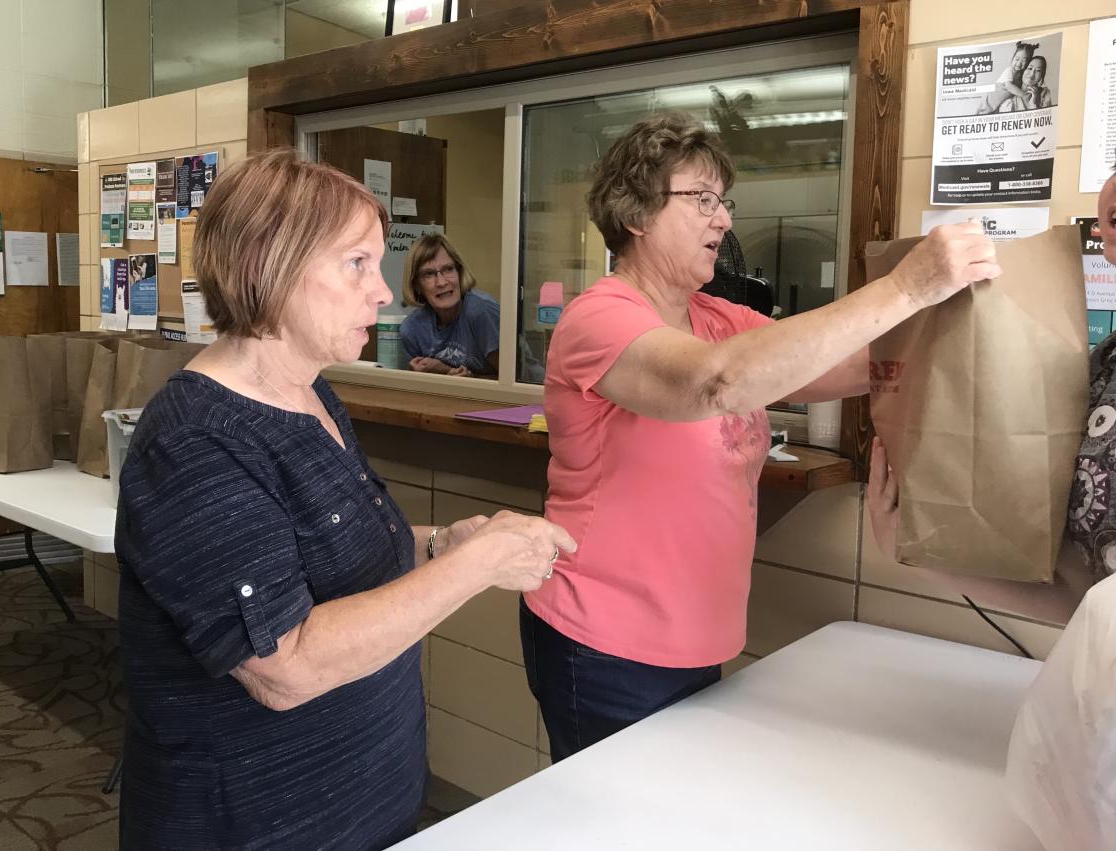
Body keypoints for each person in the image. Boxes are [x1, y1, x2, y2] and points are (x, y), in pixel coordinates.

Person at [115, 149, 575, 850]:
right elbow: (285, 666)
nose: (384, 293)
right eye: (356, 263)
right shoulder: (195, 439)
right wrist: (476, 565)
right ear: (270, 265)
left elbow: (334, 548)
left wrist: (437, 543)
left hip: (365, 799)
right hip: (256, 824)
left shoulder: (311, 392)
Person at [519, 111, 1000, 763]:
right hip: (604, 641)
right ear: (636, 212)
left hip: (695, 635)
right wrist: (906, 286)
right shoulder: (598, 318)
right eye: (703, 200)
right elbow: (715, 382)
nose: (724, 220)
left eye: (725, 203)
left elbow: (846, 365)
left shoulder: (719, 318)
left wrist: (965, 321)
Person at [869, 164, 1116, 851]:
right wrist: (917, 554)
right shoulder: (1100, 373)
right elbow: (1085, 601)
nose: (1109, 237)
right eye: (1110, 223)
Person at [400, 234, 501, 377]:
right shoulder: (412, 329)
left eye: (448, 269)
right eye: (429, 274)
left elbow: (511, 380)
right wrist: (445, 371)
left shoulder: (480, 310)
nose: (441, 282)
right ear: (416, 285)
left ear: (459, 272)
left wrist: (469, 380)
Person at [976, 41, 1037, 115]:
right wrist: (1023, 95)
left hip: (997, 106)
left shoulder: (1021, 76)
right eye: (1017, 59)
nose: (1019, 63)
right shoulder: (1009, 70)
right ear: (1012, 58)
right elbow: (1009, 86)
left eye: (1024, 61)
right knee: (980, 114)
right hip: (988, 103)